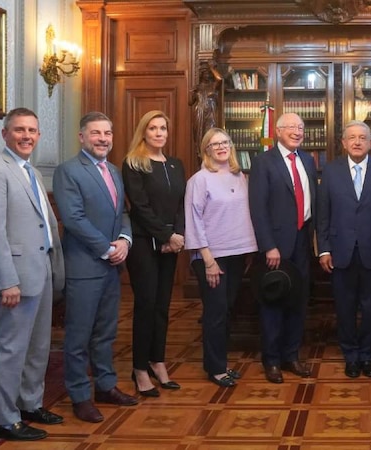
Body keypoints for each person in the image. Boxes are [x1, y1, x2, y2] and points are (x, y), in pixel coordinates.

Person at [0, 108, 65, 441]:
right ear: (5, 134)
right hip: (14, 279)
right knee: (11, 349)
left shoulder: (33, 172)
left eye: (32, 130)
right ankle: (3, 417)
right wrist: (6, 280)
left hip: (40, 272)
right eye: (19, 130)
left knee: (38, 346)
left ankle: (29, 404)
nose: (27, 136)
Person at [53, 111, 138, 423]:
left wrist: (125, 241)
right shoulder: (68, 171)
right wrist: (106, 248)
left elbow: (123, 214)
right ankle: (79, 395)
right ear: (82, 137)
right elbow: (73, 219)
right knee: (78, 336)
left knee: (105, 332)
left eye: (107, 133)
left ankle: (105, 385)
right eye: (96, 133)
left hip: (112, 267)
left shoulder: (114, 171)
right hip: (84, 266)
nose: (103, 139)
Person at [316, 120, 371, 378]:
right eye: (351, 137)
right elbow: (323, 214)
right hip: (340, 253)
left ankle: (367, 355)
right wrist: (324, 249)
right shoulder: (330, 172)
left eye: (362, 137)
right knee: (345, 309)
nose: (357, 142)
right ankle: (350, 355)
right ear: (343, 143)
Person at [185, 127, 258, 387]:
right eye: (214, 144)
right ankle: (215, 368)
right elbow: (193, 222)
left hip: (238, 254)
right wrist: (208, 260)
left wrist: (249, 249)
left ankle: (220, 362)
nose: (221, 147)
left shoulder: (240, 177)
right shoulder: (199, 180)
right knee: (215, 313)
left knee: (227, 311)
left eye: (225, 142)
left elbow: (246, 215)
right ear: (206, 150)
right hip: (211, 257)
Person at [248, 112, 317, 384]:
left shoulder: (308, 161)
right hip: (276, 245)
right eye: (291, 127)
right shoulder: (263, 162)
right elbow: (258, 207)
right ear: (278, 131)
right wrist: (268, 246)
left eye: (301, 127)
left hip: (303, 240)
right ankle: (272, 360)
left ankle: (291, 355)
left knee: (298, 301)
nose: (297, 132)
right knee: (273, 301)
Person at [122, 110, 186, 397]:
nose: (159, 133)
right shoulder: (134, 163)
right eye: (153, 128)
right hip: (144, 242)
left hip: (171, 243)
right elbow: (140, 206)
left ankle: (157, 361)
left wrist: (179, 236)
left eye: (163, 128)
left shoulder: (175, 165)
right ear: (143, 132)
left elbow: (181, 204)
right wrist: (166, 235)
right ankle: (138, 369)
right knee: (146, 305)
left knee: (163, 305)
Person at [190, 63, 222, 150]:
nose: (207, 75)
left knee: (210, 136)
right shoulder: (198, 88)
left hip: (210, 114)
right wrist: (192, 93)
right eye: (205, 73)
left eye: (209, 74)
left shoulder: (213, 86)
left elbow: (219, 79)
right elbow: (190, 102)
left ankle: (210, 158)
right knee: (198, 137)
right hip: (199, 113)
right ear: (202, 75)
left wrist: (212, 68)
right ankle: (200, 158)